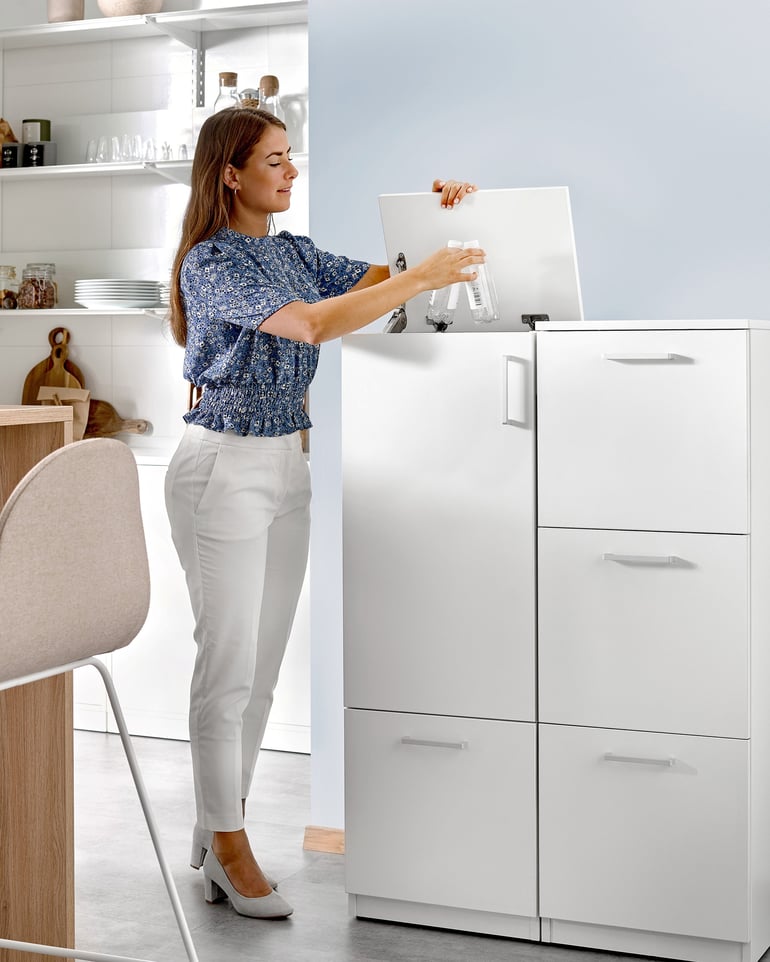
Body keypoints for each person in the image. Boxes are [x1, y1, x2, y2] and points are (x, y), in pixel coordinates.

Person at [164, 105, 483, 921]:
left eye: (291, 158)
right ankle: (230, 849)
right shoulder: (212, 262)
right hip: (221, 468)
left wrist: (450, 216)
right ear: (230, 173)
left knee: (263, 675)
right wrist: (419, 275)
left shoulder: (295, 253)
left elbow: (383, 284)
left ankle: (213, 830)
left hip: (288, 467)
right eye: (274, 161)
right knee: (226, 667)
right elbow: (312, 324)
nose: (291, 172)